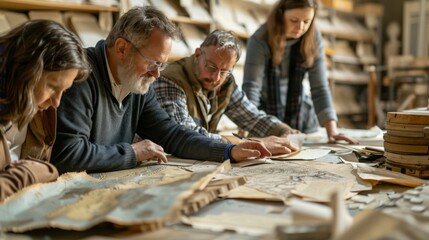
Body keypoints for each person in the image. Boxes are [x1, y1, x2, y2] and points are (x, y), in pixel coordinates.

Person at [51, 6, 272, 174]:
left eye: (162, 65)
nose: (157, 74)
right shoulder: (80, 76)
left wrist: (227, 152)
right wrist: (133, 152)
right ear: (121, 48)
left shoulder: (137, 83)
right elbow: (68, 155)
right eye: (153, 63)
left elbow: (172, 134)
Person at [154, 29, 299, 155]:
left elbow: (251, 117)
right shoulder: (170, 79)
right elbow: (184, 135)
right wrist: (250, 142)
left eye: (224, 71)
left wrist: (282, 131)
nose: (215, 77)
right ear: (198, 55)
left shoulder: (225, 82)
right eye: (211, 67)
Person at [242, 0, 357, 144]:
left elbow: (320, 88)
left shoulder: (314, 39)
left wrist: (332, 131)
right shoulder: (260, 40)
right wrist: (244, 125)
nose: (300, 27)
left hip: (300, 114)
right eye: (294, 20)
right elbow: (252, 87)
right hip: (266, 114)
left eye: (306, 21)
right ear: (280, 15)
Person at [0, 20, 91, 201]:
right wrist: (35, 171)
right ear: (26, 71)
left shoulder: (36, 105)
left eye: (63, 91)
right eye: (52, 86)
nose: (56, 103)